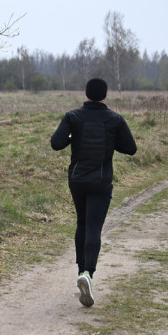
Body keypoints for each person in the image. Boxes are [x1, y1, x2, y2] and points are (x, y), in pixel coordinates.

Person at [50, 78, 137, 307]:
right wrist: (110, 141)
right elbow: (131, 148)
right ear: (104, 96)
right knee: (94, 227)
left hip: (77, 180)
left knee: (81, 223)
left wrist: (72, 139)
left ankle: (81, 272)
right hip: (101, 181)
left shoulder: (73, 116)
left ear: (86, 94)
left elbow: (56, 143)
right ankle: (88, 273)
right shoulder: (115, 119)